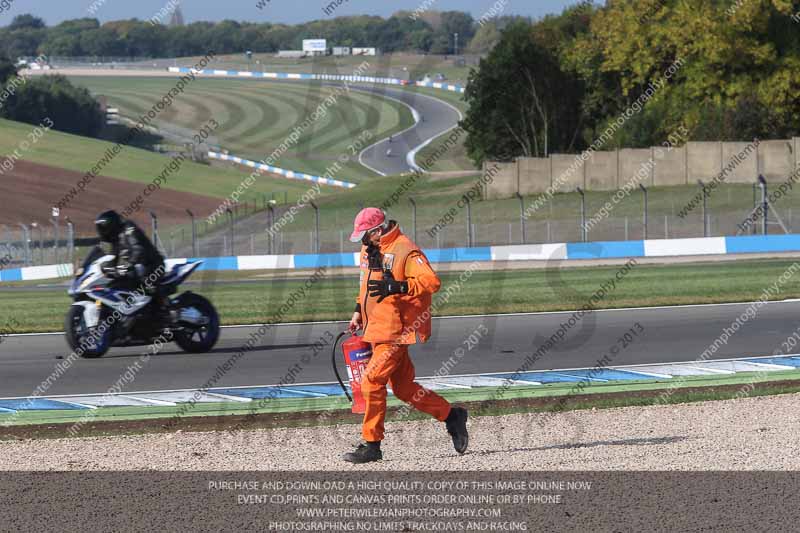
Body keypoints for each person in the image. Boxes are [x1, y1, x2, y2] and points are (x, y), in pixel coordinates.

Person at [343, 207, 468, 464]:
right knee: (403, 388)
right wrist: (358, 310)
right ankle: (451, 415)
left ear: (377, 231)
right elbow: (366, 285)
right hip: (375, 328)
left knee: (372, 381)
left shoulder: (405, 249)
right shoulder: (368, 250)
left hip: (396, 332)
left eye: (365, 235)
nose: (363, 241)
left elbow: (431, 281)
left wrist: (399, 286)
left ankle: (372, 444)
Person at [94, 209, 165, 298]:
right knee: (115, 284)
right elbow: (113, 256)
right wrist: (105, 268)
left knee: (144, 287)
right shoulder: (115, 237)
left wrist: (129, 264)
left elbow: (138, 248)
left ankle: (165, 305)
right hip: (138, 266)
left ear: (111, 225)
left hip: (153, 265)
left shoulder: (129, 228)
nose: (102, 231)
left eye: (103, 228)